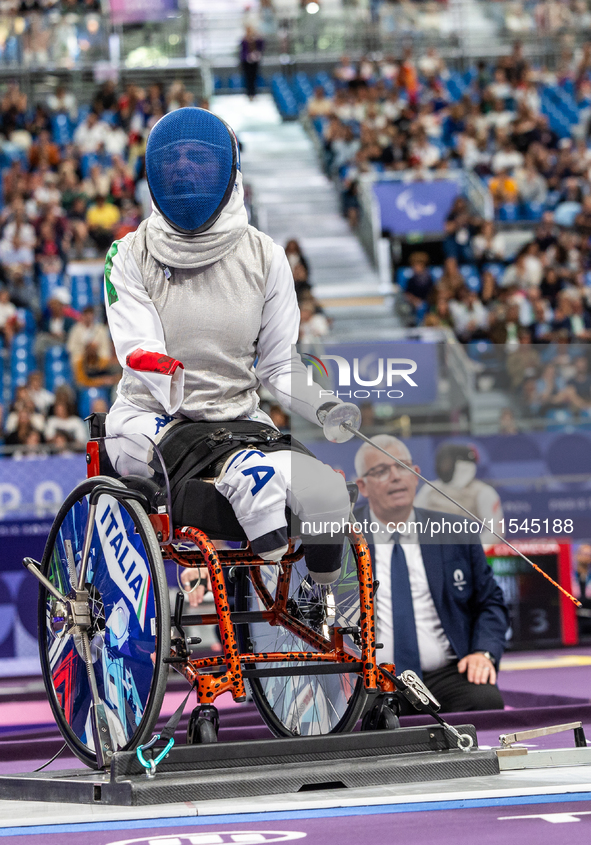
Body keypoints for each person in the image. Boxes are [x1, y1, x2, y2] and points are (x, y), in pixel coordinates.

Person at [104, 107, 360, 590]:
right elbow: (138, 349)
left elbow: (280, 364)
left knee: (326, 493)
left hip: (239, 425)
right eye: (172, 159)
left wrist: (323, 405)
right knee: (254, 500)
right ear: (154, 172)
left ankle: (321, 604)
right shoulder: (128, 254)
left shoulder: (266, 256)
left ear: (229, 170)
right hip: (153, 422)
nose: (182, 167)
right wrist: (189, 393)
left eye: (197, 156)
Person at [354, 434, 508, 713]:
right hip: (371, 677)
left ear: (416, 474)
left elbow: (490, 602)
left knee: (486, 702)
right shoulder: (342, 540)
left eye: (402, 467)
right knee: (356, 721)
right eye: (381, 471)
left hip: (445, 674)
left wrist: (483, 653)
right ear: (362, 486)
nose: (395, 476)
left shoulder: (456, 533)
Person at [240, 26, 264, 102]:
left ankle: (254, 93)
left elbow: (261, 45)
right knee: (248, 78)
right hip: (246, 62)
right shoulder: (244, 40)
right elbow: (243, 51)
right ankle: (248, 94)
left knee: (254, 78)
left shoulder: (256, 40)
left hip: (254, 62)